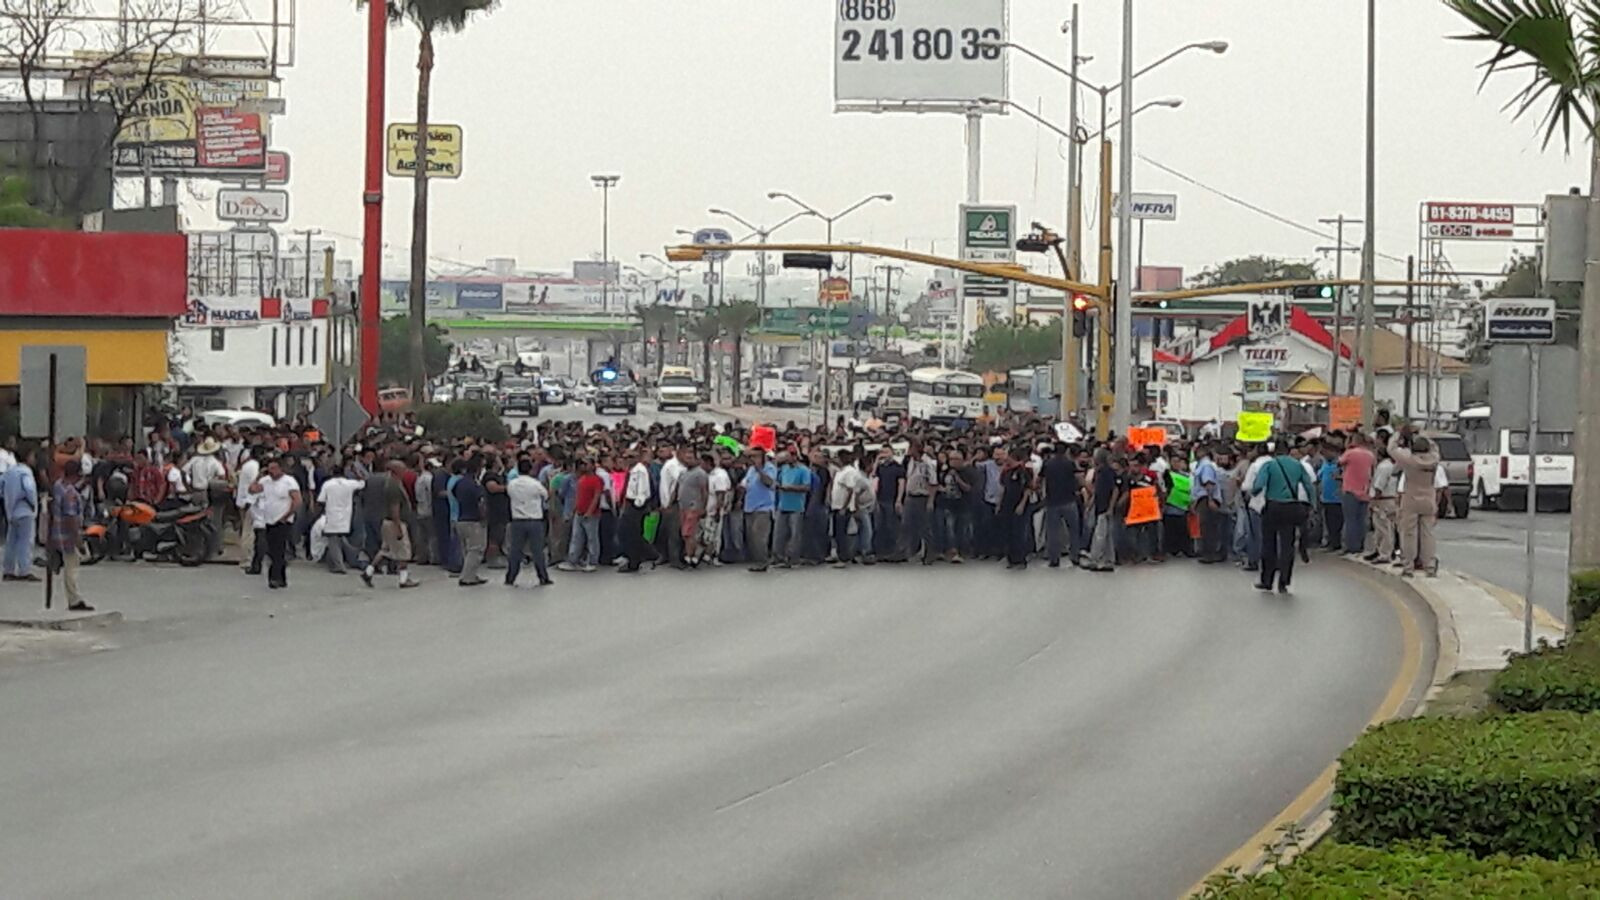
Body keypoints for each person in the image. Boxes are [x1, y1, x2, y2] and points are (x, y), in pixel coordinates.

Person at [1253, 441, 1313, 594]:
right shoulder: (1298, 465)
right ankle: (1284, 582)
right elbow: (1308, 485)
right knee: (1288, 545)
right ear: (1288, 451)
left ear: (1275, 452)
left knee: (1269, 544)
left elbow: (1258, 485)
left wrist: (1254, 493)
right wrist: (1312, 504)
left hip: (1273, 506)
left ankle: (1267, 580)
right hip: (1291, 507)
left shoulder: (1269, 465)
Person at [1389, 428, 1441, 578]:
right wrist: (1422, 433)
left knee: (1408, 534)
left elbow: (1391, 449)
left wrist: (1398, 434)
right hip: (1429, 498)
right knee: (1428, 534)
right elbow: (1434, 447)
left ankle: (1408, 566)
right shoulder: (1434, 459)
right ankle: (1429, 566)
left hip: (1410, 498)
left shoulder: (1409, 459)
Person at [362, 460, 419, 589]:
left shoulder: (392, 483)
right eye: (403, 469)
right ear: (396, 471)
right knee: (404, 551)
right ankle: (404, 578)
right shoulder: (394, 486)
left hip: (387, 522)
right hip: (395, 522)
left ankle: (368, 571)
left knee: (385, 550)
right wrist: (398, 527)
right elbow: (395, 508)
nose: (405, 471)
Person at [249, 456, 301, 590]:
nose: (271, 471)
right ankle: (282, 578)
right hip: (269, 519)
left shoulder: (289, 482)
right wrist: (259, 475)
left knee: (277, 550)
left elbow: (297, 500)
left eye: (274, 468)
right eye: (269, 469)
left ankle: (274, 577)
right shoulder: (266, 481)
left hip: (283, 520)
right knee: (274, 549)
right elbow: (252, 490)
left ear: (281, 469)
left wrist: (287, 516)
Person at [49, 459, 92, 610]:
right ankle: (74, 599)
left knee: (69, 565)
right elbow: (71, 517)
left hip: (57, 532)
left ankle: (73, 597)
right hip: (67, 536)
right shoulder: (70, 493)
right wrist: (78, 539)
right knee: (72, 567)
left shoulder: (58, 486)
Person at [505, 454, 553, 587]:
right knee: (537, 551)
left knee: (515, 550)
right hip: (534, 520)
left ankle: (510, 577)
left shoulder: (512, 484)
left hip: (517, 520)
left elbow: (509, 495)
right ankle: (543, 577)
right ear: (531, 469)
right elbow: (546, 495)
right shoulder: (535, 484)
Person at [315, 464, 365, 574]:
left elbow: (321, 500)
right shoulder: (349, 484)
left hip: (332, 515)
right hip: (346, 516)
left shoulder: (328, 484)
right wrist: (357, 473)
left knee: (333, 542)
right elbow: (363, 483)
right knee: (339, 540)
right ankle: (337, 562)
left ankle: (339, 566)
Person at [1041, 443, 1081, 568]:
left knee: (1053, 531)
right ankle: (1074, 556)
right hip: (1069, 500)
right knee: (1073, 530)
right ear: (1066, 451)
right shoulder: (1070, 463)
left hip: (1052, 501)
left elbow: (1039, 480)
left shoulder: (1047, 464)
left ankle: (1054, 558)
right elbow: (1078, 478)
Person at [2, 445, 38, 582]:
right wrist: (33, 503)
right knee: (25, 541)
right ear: (27, 457)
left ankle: (8, 570)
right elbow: (29, 488)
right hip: (25, 510)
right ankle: (24, 570)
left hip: (11, 511)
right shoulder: (25, 472)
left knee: (11, 541)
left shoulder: (9, 472)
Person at [561, 458, 604, 573]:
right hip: (579, 513)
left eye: (586, 464)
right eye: (582, 464)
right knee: (576, 538)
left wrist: (590, 511)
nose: (583, 466)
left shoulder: (597, 480)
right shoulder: (581, 479)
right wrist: (574, 510)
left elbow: (596, 496)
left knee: (592, 539)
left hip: (591, 514)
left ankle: (592, 562)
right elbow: (578, 496)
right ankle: (573, 561)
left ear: (593, 466)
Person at [1338, 432, 1377, 555]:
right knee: (1361, 520)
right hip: (1365, 489)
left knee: (1350, 520)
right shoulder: (1370, 455)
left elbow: (1339, 462)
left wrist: (1347, 447)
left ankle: (1351, 545)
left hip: (1350, 489)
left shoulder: (1350, 453)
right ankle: (1360, 544)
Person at [619, 446, 657, 573]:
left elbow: (643, 490)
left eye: (631, 457)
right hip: (629, 502)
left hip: (635, 505)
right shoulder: (632, 470)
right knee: (629, 533)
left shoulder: (640, 470)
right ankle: (640, 556)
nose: (627, 460)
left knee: (633, 534)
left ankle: (636, 561)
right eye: (625, 457)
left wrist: (637, 504)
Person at [452, 456, 489, 586]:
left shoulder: (459, 483)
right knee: (476, 550)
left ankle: (471, 573)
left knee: (466, 550)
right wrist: (484, 517)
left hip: (461, 518)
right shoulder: (475, 485)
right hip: (474, 520)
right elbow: (481, 502)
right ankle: (467, 577)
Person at [773, 449, 810, 568]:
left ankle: (793, 559)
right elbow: (778, 481)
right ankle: (779, 558)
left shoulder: (804, 470)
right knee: (779, 533)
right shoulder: (784, 469)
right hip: (783, 504)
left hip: (796, 506)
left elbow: (806, 487)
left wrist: (791, 488)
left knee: (795, 535)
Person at [742, 448, 777, 572]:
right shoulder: (750, 470)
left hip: (764, 507)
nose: (753, 459)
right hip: (750, 506)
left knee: (759, 536)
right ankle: (757, 560)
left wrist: (760, 470)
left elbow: (769, 482)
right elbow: (745, 484)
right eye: (751, 456)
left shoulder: (769, 468)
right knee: (752, 536)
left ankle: (763, 561)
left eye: (756, 456)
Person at [1085, 448, 1118, 572]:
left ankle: (1095, 559)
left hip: (1104, 507)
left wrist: (1110, 507)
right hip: (1100, 506)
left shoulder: (1106, 472)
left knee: (1100, 535)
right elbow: (1097, 491)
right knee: (1107, 536)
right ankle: (1109, 560)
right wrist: (1091, 504)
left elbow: (1115, 490)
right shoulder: (1099, 472)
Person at [1366, 439, 1399, 565]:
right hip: (1391, 499)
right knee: (1387, 528)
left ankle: (1384, 554)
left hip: (1383, 500)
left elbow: (1379, 486)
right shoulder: (1391, 466)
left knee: (1383, 528)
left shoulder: (1383, 467)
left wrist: (1373, 502)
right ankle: (1383, 551)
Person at [676, 450, 710, 566]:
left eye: (690, 459)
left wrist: (703, 507)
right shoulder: (683, 473)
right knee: (684, 533)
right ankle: (691, 553)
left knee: (688, 532)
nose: (688, 461)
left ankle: (690, 556)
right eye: (686, 459)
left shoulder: (700, 474)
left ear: (697, 460)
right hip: (682, 506)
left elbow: (704, 492)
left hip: (694, 506)